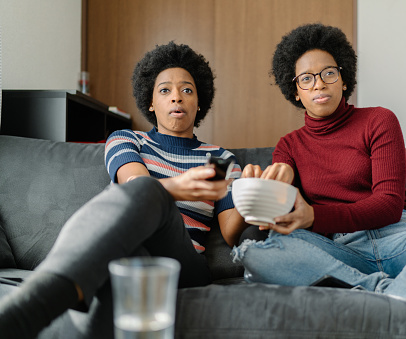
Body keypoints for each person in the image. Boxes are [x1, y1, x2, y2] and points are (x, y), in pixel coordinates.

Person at [232, 23, 406, 305]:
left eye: (329, 72)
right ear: (295, 92)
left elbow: (388, 205)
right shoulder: (289, 146)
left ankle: (374, 299)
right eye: (306, 78)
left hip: (401, 238)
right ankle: (394, 295)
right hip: (338, 250)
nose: (319, 83)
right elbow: (285, 214)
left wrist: (315, 216)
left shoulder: (379, 120)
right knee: (258, 255)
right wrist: (260, 193)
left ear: (343, 79)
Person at [0, 41, 251, 338]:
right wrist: (178, 188)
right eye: (165, 91)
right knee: (128, 259)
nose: (177, 99)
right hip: (130, 251)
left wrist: (249, 192)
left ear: (199, 102)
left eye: (187, 90)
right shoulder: (127, 140)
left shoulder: (220, 159)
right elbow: (134, 185)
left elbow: (232, 233)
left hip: (184, 264)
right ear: (150, 102)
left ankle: (38, 302)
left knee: (149, 196)